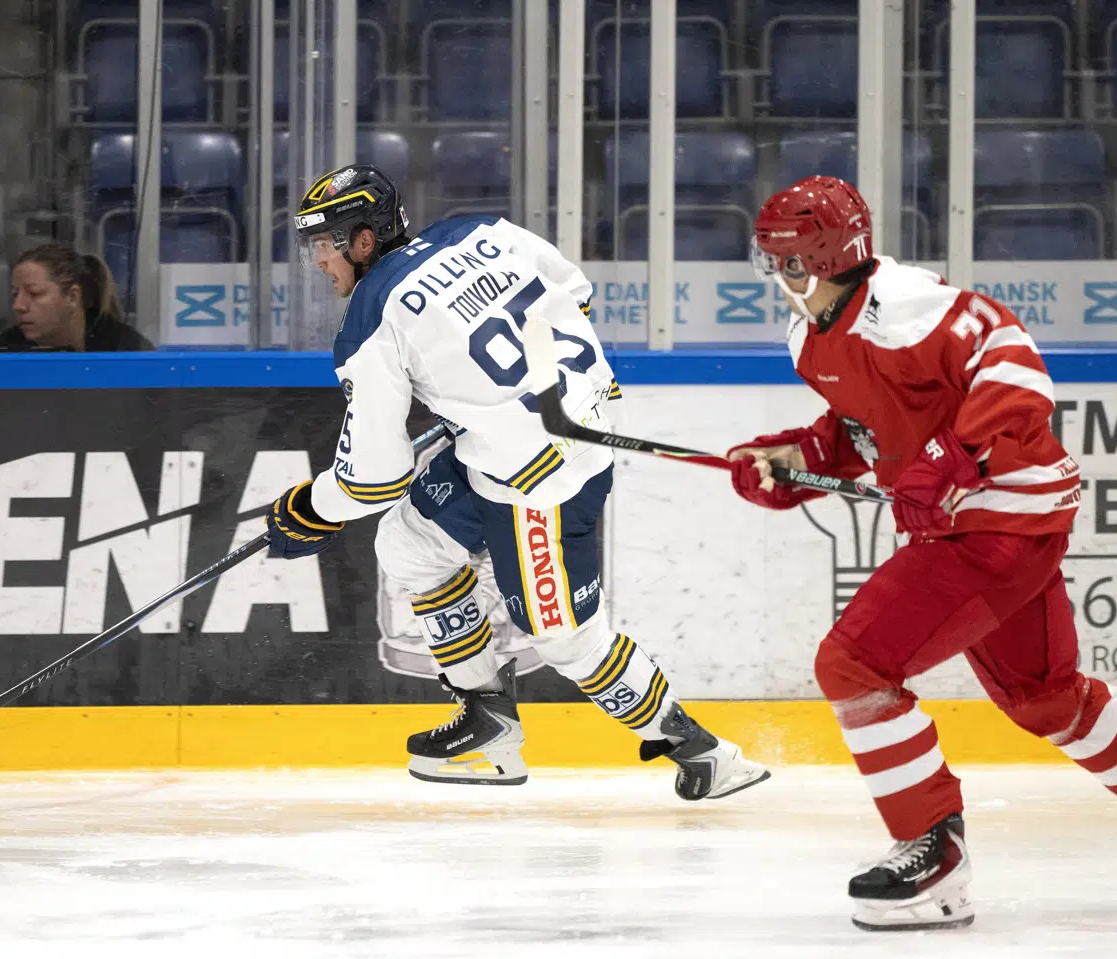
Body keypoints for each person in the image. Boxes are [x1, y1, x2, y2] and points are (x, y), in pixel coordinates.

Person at [728, 175, 1117, 931]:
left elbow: (1016, 370)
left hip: (996, 522)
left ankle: (932, 850)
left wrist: (951, 455)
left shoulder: (912, 308)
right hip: (998, 526)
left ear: (812, 261)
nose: (777, 278)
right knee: (1044, 695)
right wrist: (790, 462)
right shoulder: (812, 341)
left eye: (783, 262)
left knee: (854, 663)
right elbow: (861, 434)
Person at [263, 164, 769, 801]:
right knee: (411, 545)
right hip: (550, 434)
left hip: (539, 481)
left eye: (324, 246)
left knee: (563, 637)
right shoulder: (483, 231)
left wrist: (311, 509)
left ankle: (705, 753)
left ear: (363, 241)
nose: (318, 263)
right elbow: (574, 294)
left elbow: (372, 478)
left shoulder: (372, 317)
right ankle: (487, 722)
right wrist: (492, 398)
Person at [0, 244, 153, 351]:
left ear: (72, 297)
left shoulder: (127, 350)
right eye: (15, 294)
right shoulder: (2, 350)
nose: (18, 306)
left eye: (34, 293)